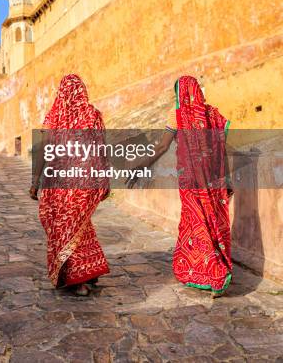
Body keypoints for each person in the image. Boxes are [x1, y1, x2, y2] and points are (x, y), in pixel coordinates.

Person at [128, 75, 232, 297]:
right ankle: (204, 271)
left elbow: (162, 147)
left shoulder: (178, 117)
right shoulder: (214, 115)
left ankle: (215, 275)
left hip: (191, 182)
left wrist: (141, 166)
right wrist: (228, 179)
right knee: (211, 222)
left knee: (197, 224)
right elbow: (222, 150)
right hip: (213, 182)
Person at [29, 74, 110, 296]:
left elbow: (43, 150)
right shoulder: (93, 115)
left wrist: (35, 182)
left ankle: (77, 279)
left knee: (64, 228)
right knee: (79, 226)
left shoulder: (53, 116)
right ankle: (89, 271)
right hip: (84, 184)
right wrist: (105, 181)